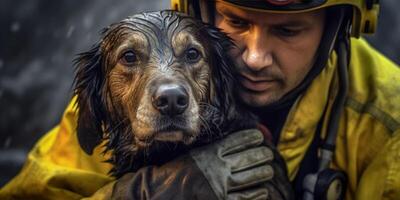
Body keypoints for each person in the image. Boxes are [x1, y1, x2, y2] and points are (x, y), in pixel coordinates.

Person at [1, 0, 399, 199]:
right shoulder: (116, 94)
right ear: (199, 8)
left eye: (289, 31)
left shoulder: (389, 120)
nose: (254, 58)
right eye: (237, 22)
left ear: (337, 30)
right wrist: (142, 193)